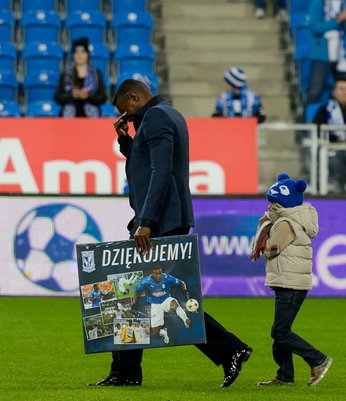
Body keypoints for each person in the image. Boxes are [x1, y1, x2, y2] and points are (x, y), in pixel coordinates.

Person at [90, 79, 252, 388]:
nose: (126, 116)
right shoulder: (165, 114)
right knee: (132, 296)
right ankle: (125, 372)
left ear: (135, 97)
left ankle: (231, 348)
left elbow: (161, 172)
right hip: (161, 218)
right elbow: (149, 162)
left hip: (161, 221)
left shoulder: (158, 117)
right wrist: (127, 141)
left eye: (126, 110)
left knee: (146, 295)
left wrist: (147, 220)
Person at [250, 173, 333, 387]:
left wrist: (262, 230)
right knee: (280, 331)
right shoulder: (292, 219)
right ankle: (285, 376)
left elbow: (272, 250)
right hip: (291, 282)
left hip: (290, 283)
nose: (269, 205)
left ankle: (318, 360)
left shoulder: (285, 223)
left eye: (272, 201)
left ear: (280, 202)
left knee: (280, 331)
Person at [305, 0, 346, 105]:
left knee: (345, 93)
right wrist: (337, 21)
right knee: (315, 91)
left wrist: (345, 20)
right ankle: (307, 120)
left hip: (343, 56)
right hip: (321, 56)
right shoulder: (319, 3)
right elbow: (314, 27)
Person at [132, 267, 192, 344]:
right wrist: (134, 303)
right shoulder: (146, 281)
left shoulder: (167, 278)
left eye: (160, 273)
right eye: (157, 274)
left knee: (174, 303)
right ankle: (163, 332)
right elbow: (137, 291)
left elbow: (182, 283)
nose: (159, 275)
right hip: (155, 305)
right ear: (152, 274)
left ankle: (185, 319)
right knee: (155, 333)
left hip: (166, 300)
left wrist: (185, 292)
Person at [54, 37, 107, 118]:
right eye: (76, 53)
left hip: (91, 120)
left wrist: (87, 96)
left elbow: (103, 98)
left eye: (83, 52)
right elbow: (57, 97)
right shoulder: (65, 74)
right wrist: (71, 96)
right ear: (73, 55)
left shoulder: (96, 73)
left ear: (87, 55)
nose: (80, 55)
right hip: (69, 120)